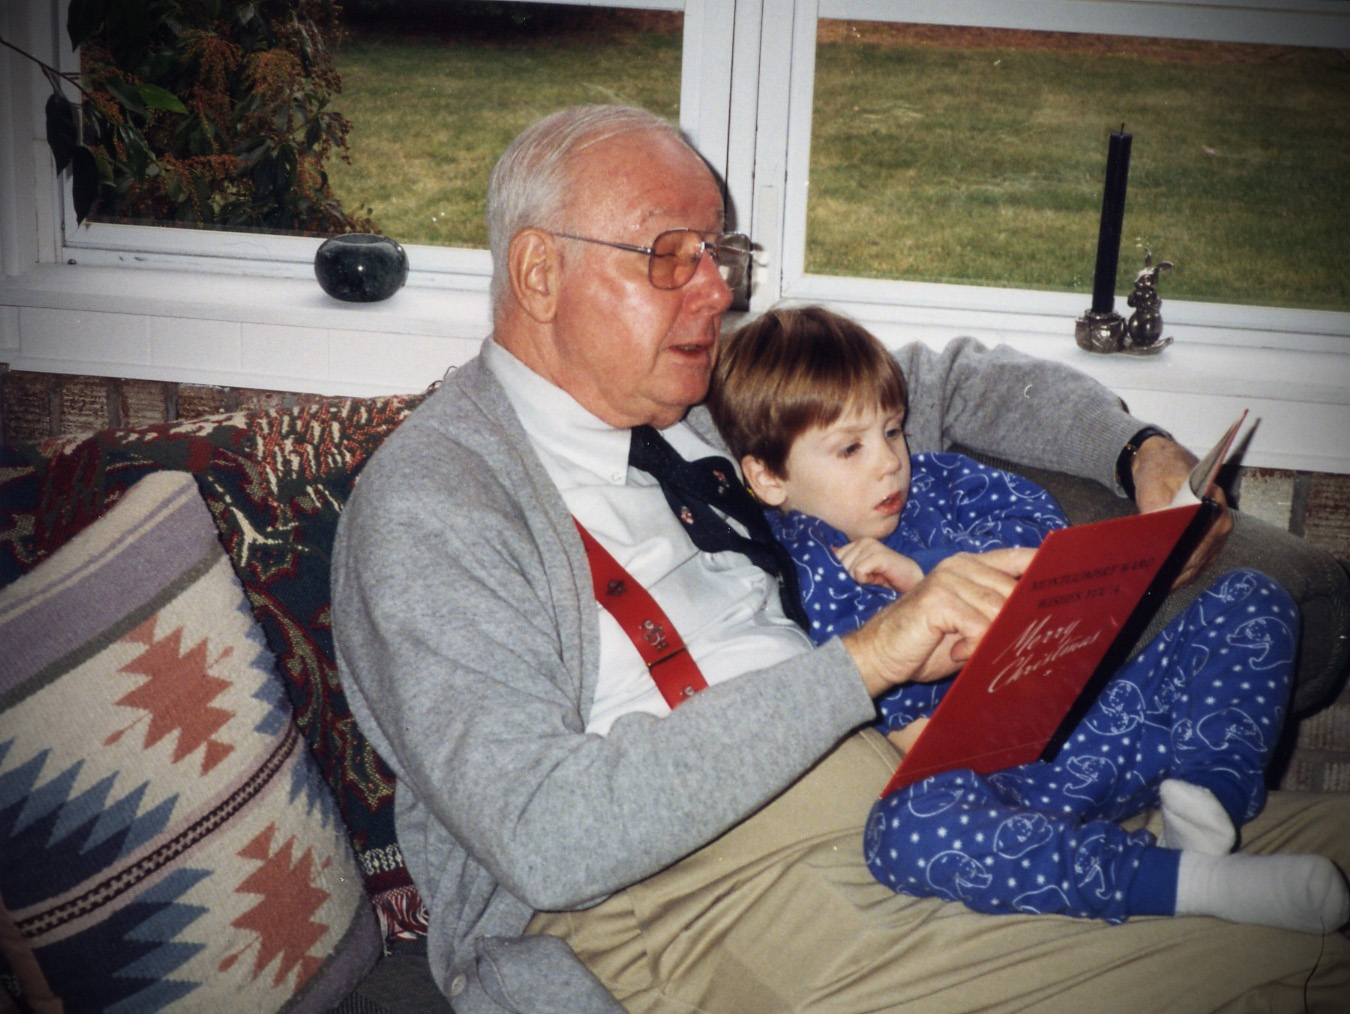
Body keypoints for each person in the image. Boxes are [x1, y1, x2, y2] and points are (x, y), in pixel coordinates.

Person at [331, 103, 1350, 1012]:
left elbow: (950, 383)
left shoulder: (693, 400)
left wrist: (1138, 452)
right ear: (539, 274)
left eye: (720, 254)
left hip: (929, 794)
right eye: (669, 255)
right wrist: (869, 662)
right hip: (699, 893)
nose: (714, 293)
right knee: (1274, 969)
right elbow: (547, 834)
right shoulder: (436, 505)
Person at [707, 304, 1348, 930]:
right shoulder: (804, 566)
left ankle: (1206, 802)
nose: (888, 461)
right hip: (998, 788)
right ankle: (1190, 883)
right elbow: (905, 731)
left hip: (1106, 721)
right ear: (767, 478)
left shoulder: (943, 481)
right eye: (850, 449)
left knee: (1255, 598)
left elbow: (1046, 547)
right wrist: (914, 606)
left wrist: (932, 568)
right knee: (906, 833)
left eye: (894, 430)